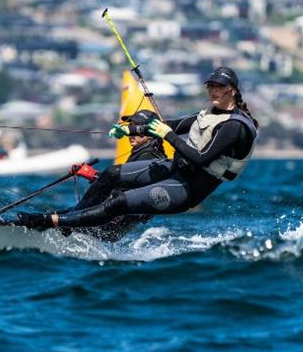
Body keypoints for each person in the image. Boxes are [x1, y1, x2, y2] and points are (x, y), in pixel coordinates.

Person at [17, 67, 258, 231]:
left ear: (233, 90)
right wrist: (131, 131)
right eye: (211, 86)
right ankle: (70, 221)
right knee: (112, 174)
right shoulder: (210, 114)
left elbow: (200, 159)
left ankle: (55, 222)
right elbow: (171, 125)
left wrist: (169, 136)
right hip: (175, 169)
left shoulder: (234, 127)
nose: (214, 91)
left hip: (188, 188)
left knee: (118, 202)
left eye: (220, 86)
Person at [58, 109, 168, 240]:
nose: (132, 131)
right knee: (57, 215)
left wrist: (94, 175)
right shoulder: (146, 153)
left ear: (151, 133)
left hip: (109, 225)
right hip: (111, 224)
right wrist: (92, 175)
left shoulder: (148, 158)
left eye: (137, 127)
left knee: (54, 219)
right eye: (130, 126)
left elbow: (126, 189)